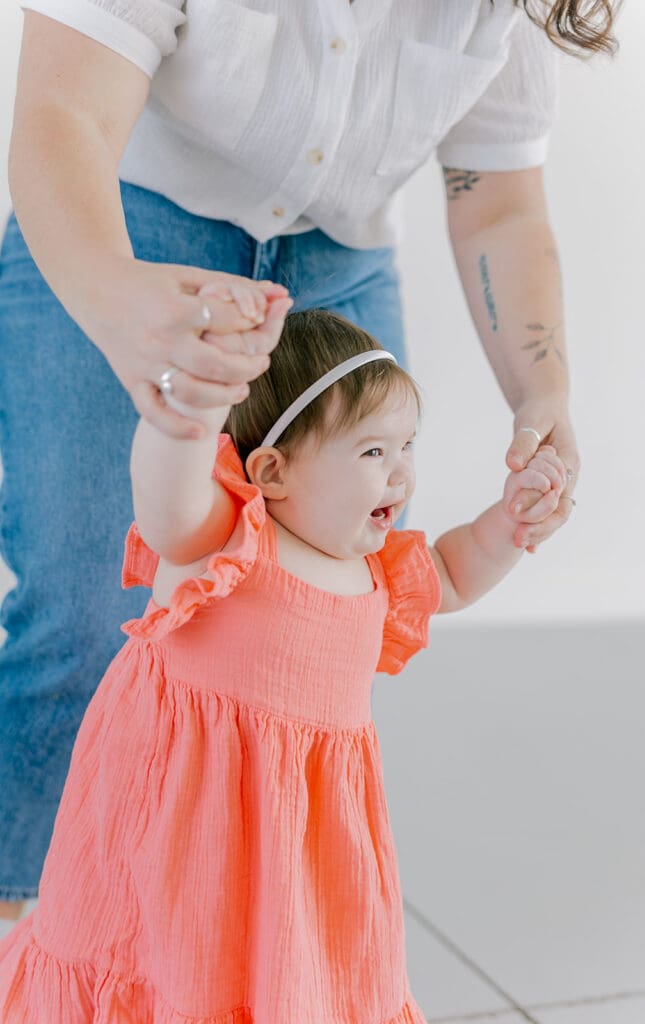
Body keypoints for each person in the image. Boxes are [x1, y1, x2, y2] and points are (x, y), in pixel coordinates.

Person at [0, 0, 616, 924]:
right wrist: (115, 297)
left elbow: (497, 205)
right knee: (91, 614)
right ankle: (31, 928)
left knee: (322, 627)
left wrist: (543, 396)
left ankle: (220, 919)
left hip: (340, 263)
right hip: (128, 225)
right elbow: (64, 114)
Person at [0, 302, 570, 1022]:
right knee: (165, 954)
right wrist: (187, 407)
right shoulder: (227, 540)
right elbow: (164, 502)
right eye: (371, 452)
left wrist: (511, 522)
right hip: (180, 812)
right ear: (269, 470)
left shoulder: (377, 567)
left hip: (307, 823)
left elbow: (453, 574)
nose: (400, 475)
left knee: (288, 961)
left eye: (407, 446)